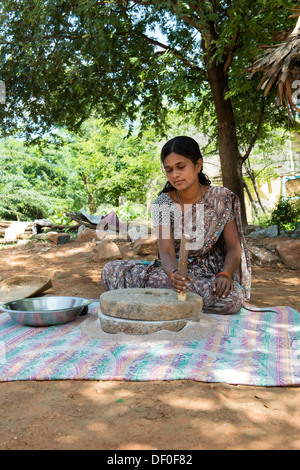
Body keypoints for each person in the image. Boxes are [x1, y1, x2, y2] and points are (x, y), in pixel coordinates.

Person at [101, 136, 251, 315]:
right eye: (169, 169)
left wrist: (225, 274)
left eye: (181, 167)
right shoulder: (163, 203)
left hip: (210, 274)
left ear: (198, 165)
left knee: (232, 298)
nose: (175, 174)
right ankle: (177, 298)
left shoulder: (221, 198)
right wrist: (173, 276)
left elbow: (234, 248)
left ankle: (159, 299)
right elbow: (166, 252)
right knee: (111, 271)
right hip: (175, 272)